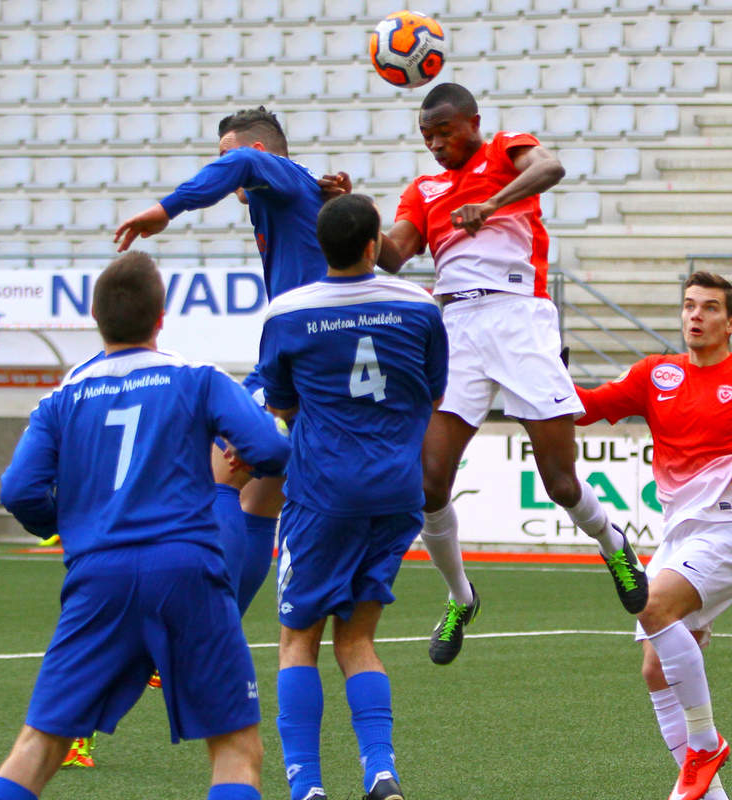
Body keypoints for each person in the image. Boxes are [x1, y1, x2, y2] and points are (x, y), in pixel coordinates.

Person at [0, 252, 290, 800]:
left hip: (98, 574)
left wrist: (74, 524)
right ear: (161, 317)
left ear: (97, 319)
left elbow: (17, 490)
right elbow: (268, 446)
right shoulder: (196, 378)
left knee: (40, 743)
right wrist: (250, 458)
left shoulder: (63, 395)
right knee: (236, 747)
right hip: (186, 567)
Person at [377, 82, 647, 665]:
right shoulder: (422, 191)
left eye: (444, 132)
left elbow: (552, 166)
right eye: (427, 137)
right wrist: (342, 211)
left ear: (472, 122)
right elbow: (391, 254)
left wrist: (493, 204)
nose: (435, 144)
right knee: (427, 486)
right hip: (457, 327)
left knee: (560, 483)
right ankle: (460, 596)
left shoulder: (505, 149)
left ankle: (612, 543)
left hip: (519, 317)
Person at [575, 272, 732, 800]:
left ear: (730, 323)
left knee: (650, 604)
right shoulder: (655, 374)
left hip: (729, 532)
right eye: (689, 306)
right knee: (654, 670)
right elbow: (589, 408)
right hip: (678, 537)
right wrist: (549, 379)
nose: (695, 316)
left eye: (709, 308)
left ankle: (705, 744)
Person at [113, 106, 352, 622]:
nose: (222, 167)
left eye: (226, 154)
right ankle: (220, 628)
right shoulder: (306, 190)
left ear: (258, 153)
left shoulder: (281, 175)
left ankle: (202, 628)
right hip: (314, 360)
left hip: (296, 359)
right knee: (259, 500)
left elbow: (240, 163)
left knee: (219, 475)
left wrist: (166, 208)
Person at [257, 194, 449, 800]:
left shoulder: (287, 313)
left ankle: (307, 788)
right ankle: (381, 771)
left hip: (322, 495)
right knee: (359, 638)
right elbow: (433, 390)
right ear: (374, 248)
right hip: (397, 492)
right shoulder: (419, 306)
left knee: (299, 640)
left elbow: (280, 404)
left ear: (321, 246)